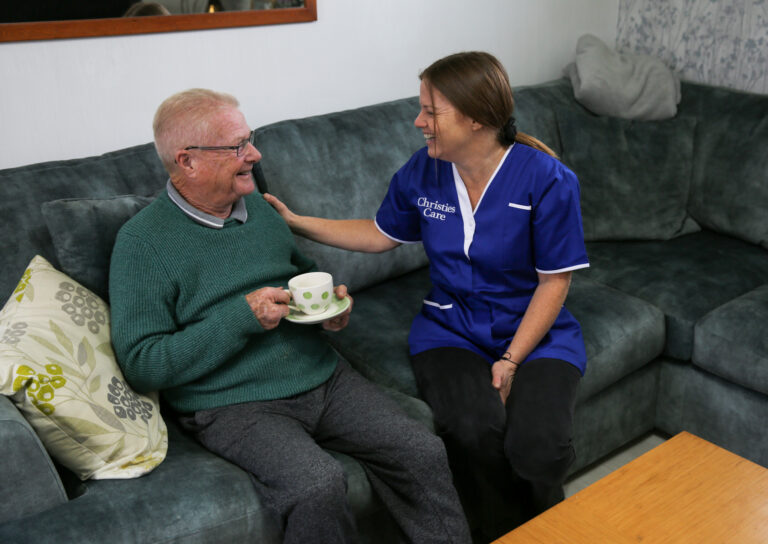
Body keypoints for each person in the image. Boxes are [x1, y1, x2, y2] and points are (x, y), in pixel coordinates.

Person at [109, 89, 471, 544]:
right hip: (233, 403)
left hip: (323, 376)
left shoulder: (259, 208)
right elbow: (143, 364)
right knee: (316, 485)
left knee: (421, 450)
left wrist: (328, 311)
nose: (254, 155)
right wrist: (240, 317)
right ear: (187, 161)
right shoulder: (142, 244)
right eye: (237, 146)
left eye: (250, 139)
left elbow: (300, 276)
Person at [264, 51, 590, 539]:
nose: (419, 122)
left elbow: (555, 282)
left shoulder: (547, 180)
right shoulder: (425, 171)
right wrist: (297, 222)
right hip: (450, 330)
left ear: (476, 117)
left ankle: (544, 527)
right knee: (472, 430)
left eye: (431, 112)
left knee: (538, 447)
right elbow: (379, 233)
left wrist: (512, 359)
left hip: (536, 333)